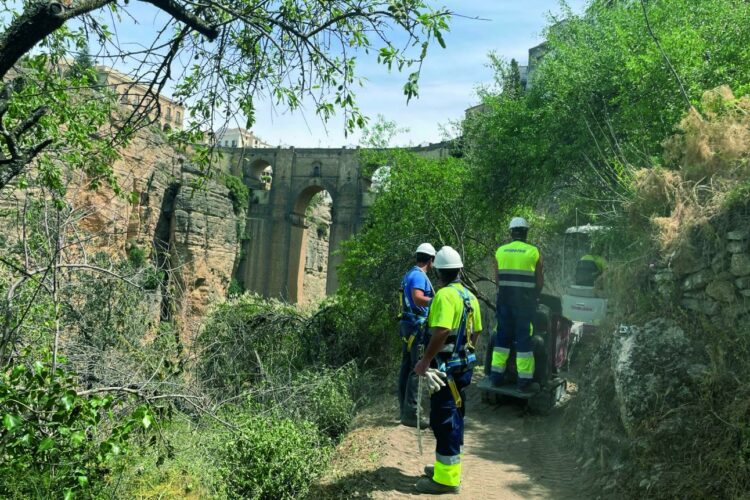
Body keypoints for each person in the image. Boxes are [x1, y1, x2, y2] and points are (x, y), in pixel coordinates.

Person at [414, 246, 482, 494]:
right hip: (462, 369)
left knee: (444, 420)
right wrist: (466, 351)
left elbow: (441, 331)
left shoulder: (444, 296)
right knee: (455, 416)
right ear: (460, 270)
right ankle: (445, 468)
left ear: (439, 273)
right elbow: (477, 332)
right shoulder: (470, 296)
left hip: (445, 371)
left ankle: (446, 480)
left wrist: (425, 361)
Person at [491, 217, 544, 393]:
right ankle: (524, 382)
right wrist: (534, 297)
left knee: (501, 339)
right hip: (525, 305)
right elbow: (539, 281)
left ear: (511, 232)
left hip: (505, 302)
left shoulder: (500, 251)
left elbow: (497, 280)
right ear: (526, 232)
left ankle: (496, 377)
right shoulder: (534, 252)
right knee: (524, 341)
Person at [397, 243, 436, 427]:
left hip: (408, 325)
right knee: (415, 368)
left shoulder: (409, 274)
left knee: (407, 367)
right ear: (431, 260)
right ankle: (411, 413)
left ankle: (404, 409)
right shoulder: (419, 276)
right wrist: (437, 301)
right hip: (416, 327)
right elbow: (417, 298)